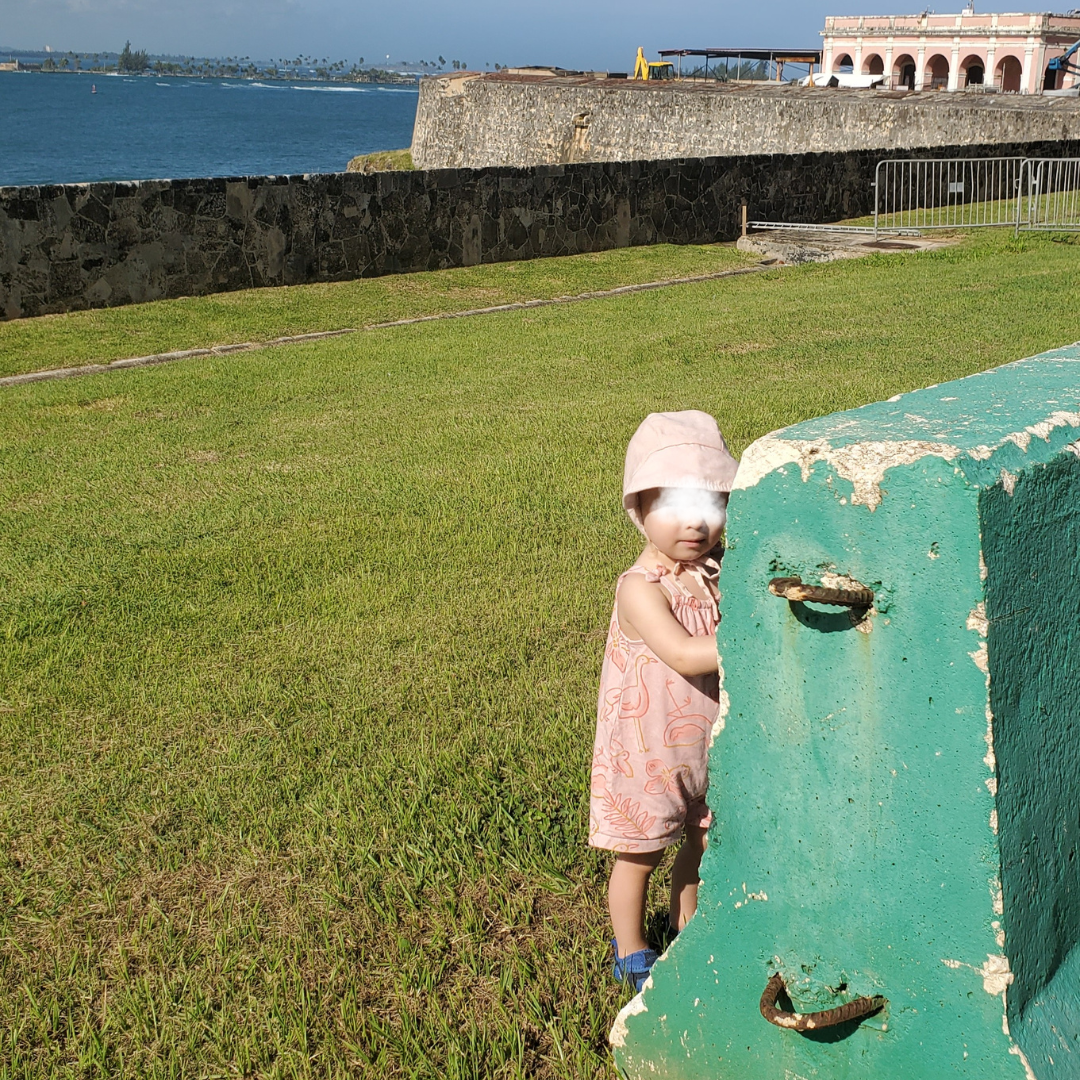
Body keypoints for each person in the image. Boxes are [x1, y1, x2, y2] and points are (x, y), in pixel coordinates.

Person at [589, 410, 738, 992]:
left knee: (702, 842)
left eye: (711, 506)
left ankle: (689, 929)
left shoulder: (720, 572)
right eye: (673, 507)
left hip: (711, 740)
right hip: (650, 748)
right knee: (640, 854)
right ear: (640, 509)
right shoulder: (639, 588)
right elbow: (680, 651)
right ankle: (629, 947)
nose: (695, 524)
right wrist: (756, 630)